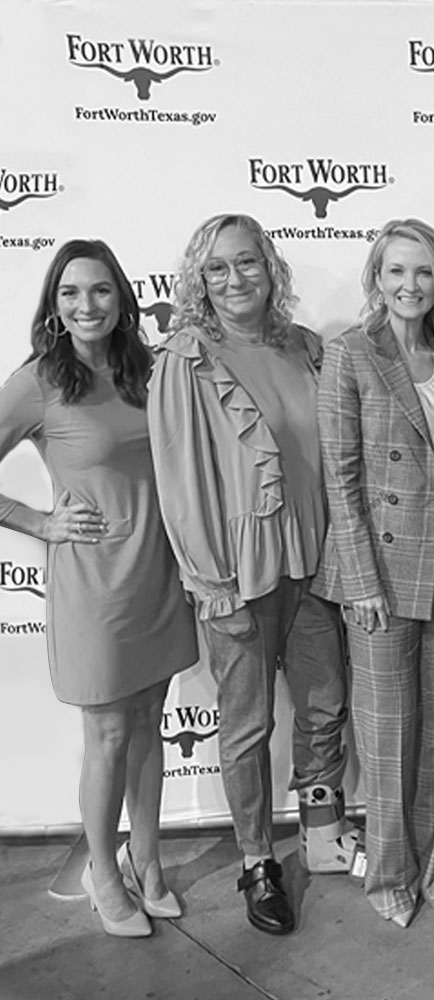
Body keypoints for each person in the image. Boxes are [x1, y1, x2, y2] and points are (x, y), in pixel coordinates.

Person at [148, 213, 355, 936]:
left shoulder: (304, 347)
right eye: (217, 268)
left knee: (326, 704)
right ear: (199, 281)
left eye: (247, 262)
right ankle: (258, 860)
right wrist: (211, 580)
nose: (235, 278)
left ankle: (324, 834)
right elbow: (180, 479)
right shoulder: (187, 359)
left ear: (270, 268)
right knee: (247, 724)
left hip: (315, 559)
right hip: (239, 572)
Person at [0, 240, 197, 937]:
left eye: (101, 290)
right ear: (54, 307)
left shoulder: (148, 369)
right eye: (71, 293)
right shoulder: (38, 383)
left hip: (159, 575)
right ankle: (103, 874)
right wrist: (37, 522)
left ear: (122, 299)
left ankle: (147, 860)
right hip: (94, 587)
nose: (87, 305)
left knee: (149, 724)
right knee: (109, 733)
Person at [313, 219, 434, 928]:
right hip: (379, 574)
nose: (411, 285)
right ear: (376, 279)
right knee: (386, 740)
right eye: (396, 271)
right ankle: (390, 879)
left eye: (424, 271)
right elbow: (340, 476)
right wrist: (360, 582)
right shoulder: (349, 352)